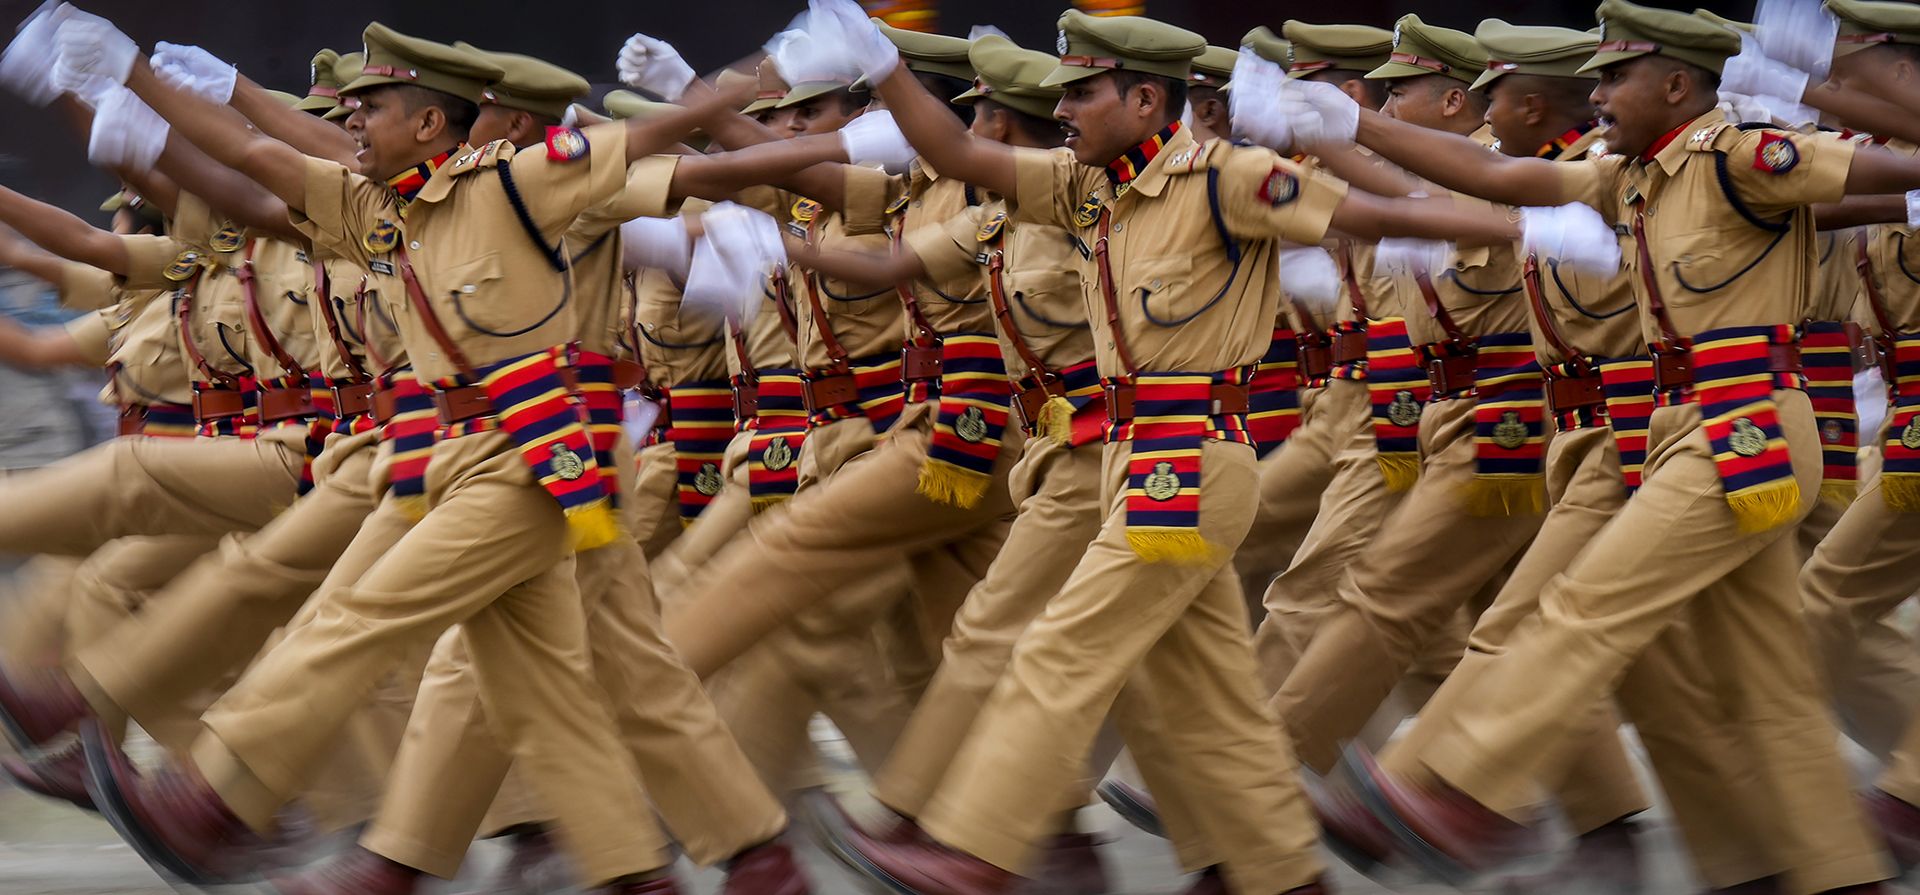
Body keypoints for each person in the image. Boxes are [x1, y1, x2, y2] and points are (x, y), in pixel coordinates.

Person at [777, 3, 1602, 892]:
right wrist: (886, 66)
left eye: (1084, 92)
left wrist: (1525, 231)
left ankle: (976, 851)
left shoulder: (1227, 178)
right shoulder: (1086, 185)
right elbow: (963, 157)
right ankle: (1281, 869)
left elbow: (1361, 210)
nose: (1064, 108)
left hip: (1188, 461)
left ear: (1143, 100)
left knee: (1059, 649)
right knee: (1209, 697)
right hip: (1138, 458)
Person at [1291, 2, 1917, 891]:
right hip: (1679, 431)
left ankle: (1468, 788)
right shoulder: (1628, 178)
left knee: (1586, 606)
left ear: (1674, 84)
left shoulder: (1745, 158)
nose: (1596, 93)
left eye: (1614, 76)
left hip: (1740, 430)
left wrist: (1810, 88)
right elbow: (1487, 174)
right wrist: (1347, 123)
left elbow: (1895, 168)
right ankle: (1819, 868)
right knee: (1766, 681)